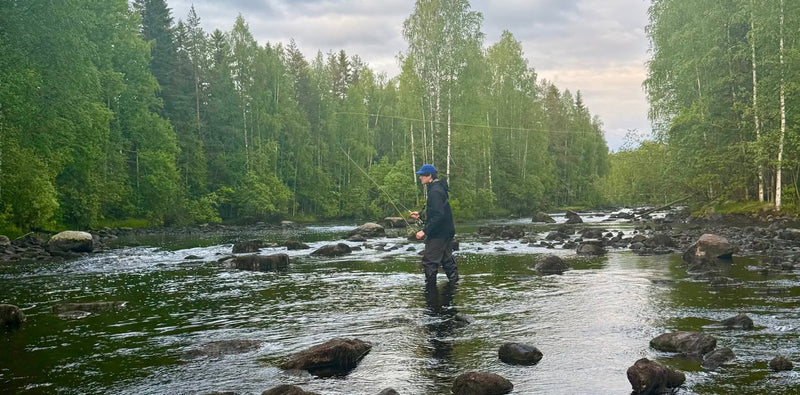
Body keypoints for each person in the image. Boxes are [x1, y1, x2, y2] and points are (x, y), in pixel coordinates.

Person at [409, 164, 458, 284]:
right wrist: (420, 214)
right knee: (447, 261)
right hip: (446, 231)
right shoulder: (437, 188)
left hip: (439, 233)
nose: (420, 177)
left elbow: (439, 215)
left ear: (429, 176)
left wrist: (424, 231)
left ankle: (430, 292)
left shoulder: (434, 191)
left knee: (429, 261)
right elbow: (437, 210)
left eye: (421, 175)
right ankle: (454, 287)